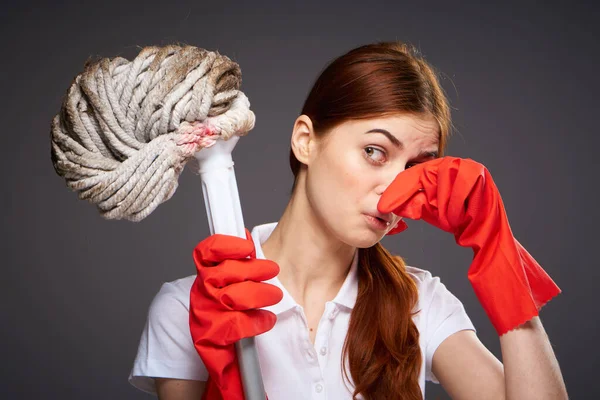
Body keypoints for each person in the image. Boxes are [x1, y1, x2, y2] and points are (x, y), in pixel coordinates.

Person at [129, 42, 568, 399]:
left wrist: (498, 254)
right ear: (306, 141)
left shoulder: (420, 304)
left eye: (415, 168)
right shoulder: (190, 308)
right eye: (374, 151)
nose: (394, 190)